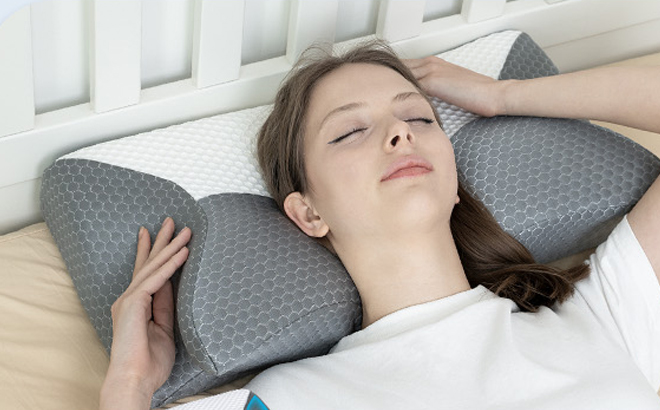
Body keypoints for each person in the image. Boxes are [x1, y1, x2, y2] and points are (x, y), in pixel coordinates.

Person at [100, 41, 660, 409]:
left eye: (419, 117)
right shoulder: (294, 398)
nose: (401, 134)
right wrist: (129, 386)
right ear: (308, 213)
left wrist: (501, 95)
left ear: (454, 178)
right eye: (349, 132)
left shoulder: (604, 314)